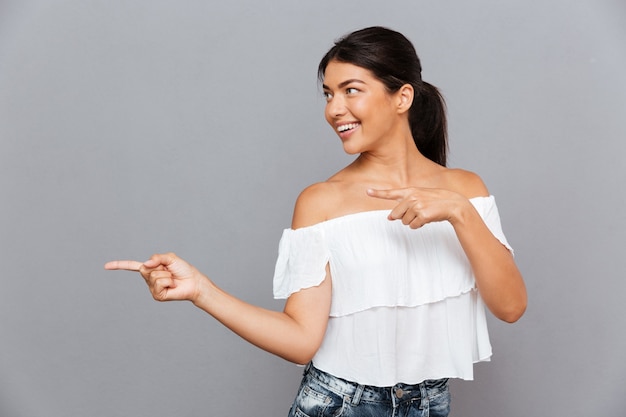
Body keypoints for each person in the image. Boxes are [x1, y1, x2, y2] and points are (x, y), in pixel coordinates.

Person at [105, 26, 527, 417]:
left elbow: (510, 307)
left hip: (430, 404)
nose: (334, 109)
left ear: (402, 97)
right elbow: (301, 340)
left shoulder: (465, 189)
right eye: (328, 94)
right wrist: (202, 291)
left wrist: (457, 211)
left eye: (351, 90)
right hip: (338, 404)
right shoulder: (320, 201)